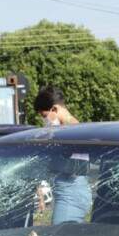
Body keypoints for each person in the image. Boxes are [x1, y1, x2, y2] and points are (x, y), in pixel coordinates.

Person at [33, 85, 90, 223]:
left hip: (71, 195)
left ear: (55, 109)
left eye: (45, 116)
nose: (45, 121)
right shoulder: (64, 130)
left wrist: (47, 163)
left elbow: (81, 167)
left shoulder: (75, 130)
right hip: (68, 192)